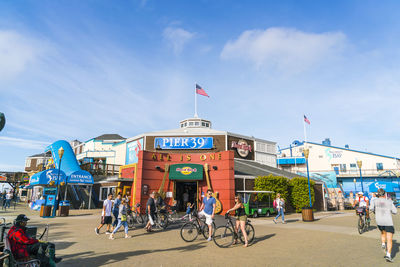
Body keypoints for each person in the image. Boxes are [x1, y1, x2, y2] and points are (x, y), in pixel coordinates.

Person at [370, 188, 397, 263]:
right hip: (388, 221)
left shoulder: (374, 201)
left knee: (383, 232)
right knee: (389, 239)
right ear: (384, 194)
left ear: (378, 194)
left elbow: (371, 209)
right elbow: (395, 211)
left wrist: (377, 211)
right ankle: (388, 255)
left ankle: (383, 243)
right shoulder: (389, 201)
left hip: (379, 221)